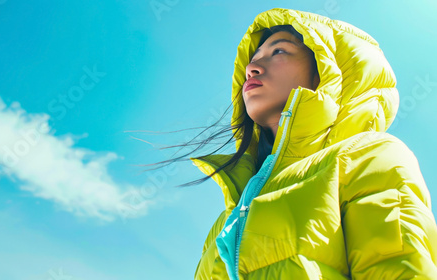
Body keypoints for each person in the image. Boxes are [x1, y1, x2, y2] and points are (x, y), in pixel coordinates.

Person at [186, 8, 437, 279]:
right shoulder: (225, 219)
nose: (251, 68)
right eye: (253, 59)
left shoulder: (369, 157)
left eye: (278, 51)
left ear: (327, 73)